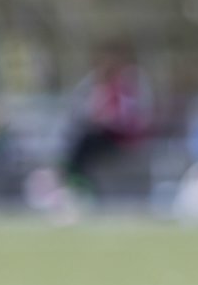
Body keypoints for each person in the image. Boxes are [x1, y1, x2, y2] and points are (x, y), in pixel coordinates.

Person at [61, 42, 153, 194]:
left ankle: (81, 187)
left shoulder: (128, 82)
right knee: (80, 143)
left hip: (121, 136)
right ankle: (78, 184)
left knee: (84, 145)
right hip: (104, 133)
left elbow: (128, 117)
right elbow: (83, 108)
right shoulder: (99, 84)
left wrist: (106, 120)